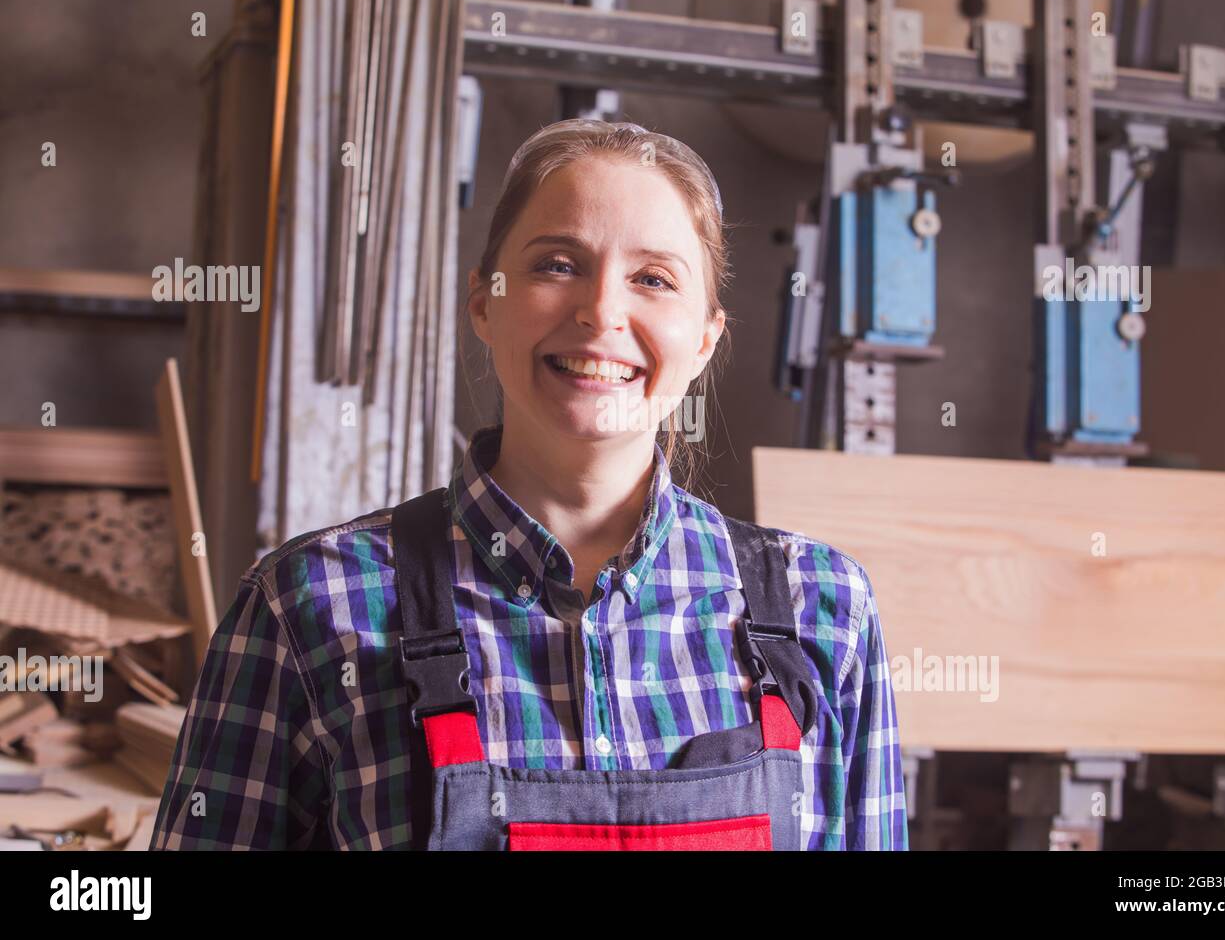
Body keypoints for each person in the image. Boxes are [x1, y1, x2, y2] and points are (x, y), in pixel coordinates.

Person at [151, 118, 908, 850]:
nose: (602, 311)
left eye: (653, 279)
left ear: (705, 338)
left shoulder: (821, 609)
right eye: (557, 264)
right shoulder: (309, 603)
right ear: (484, 301)